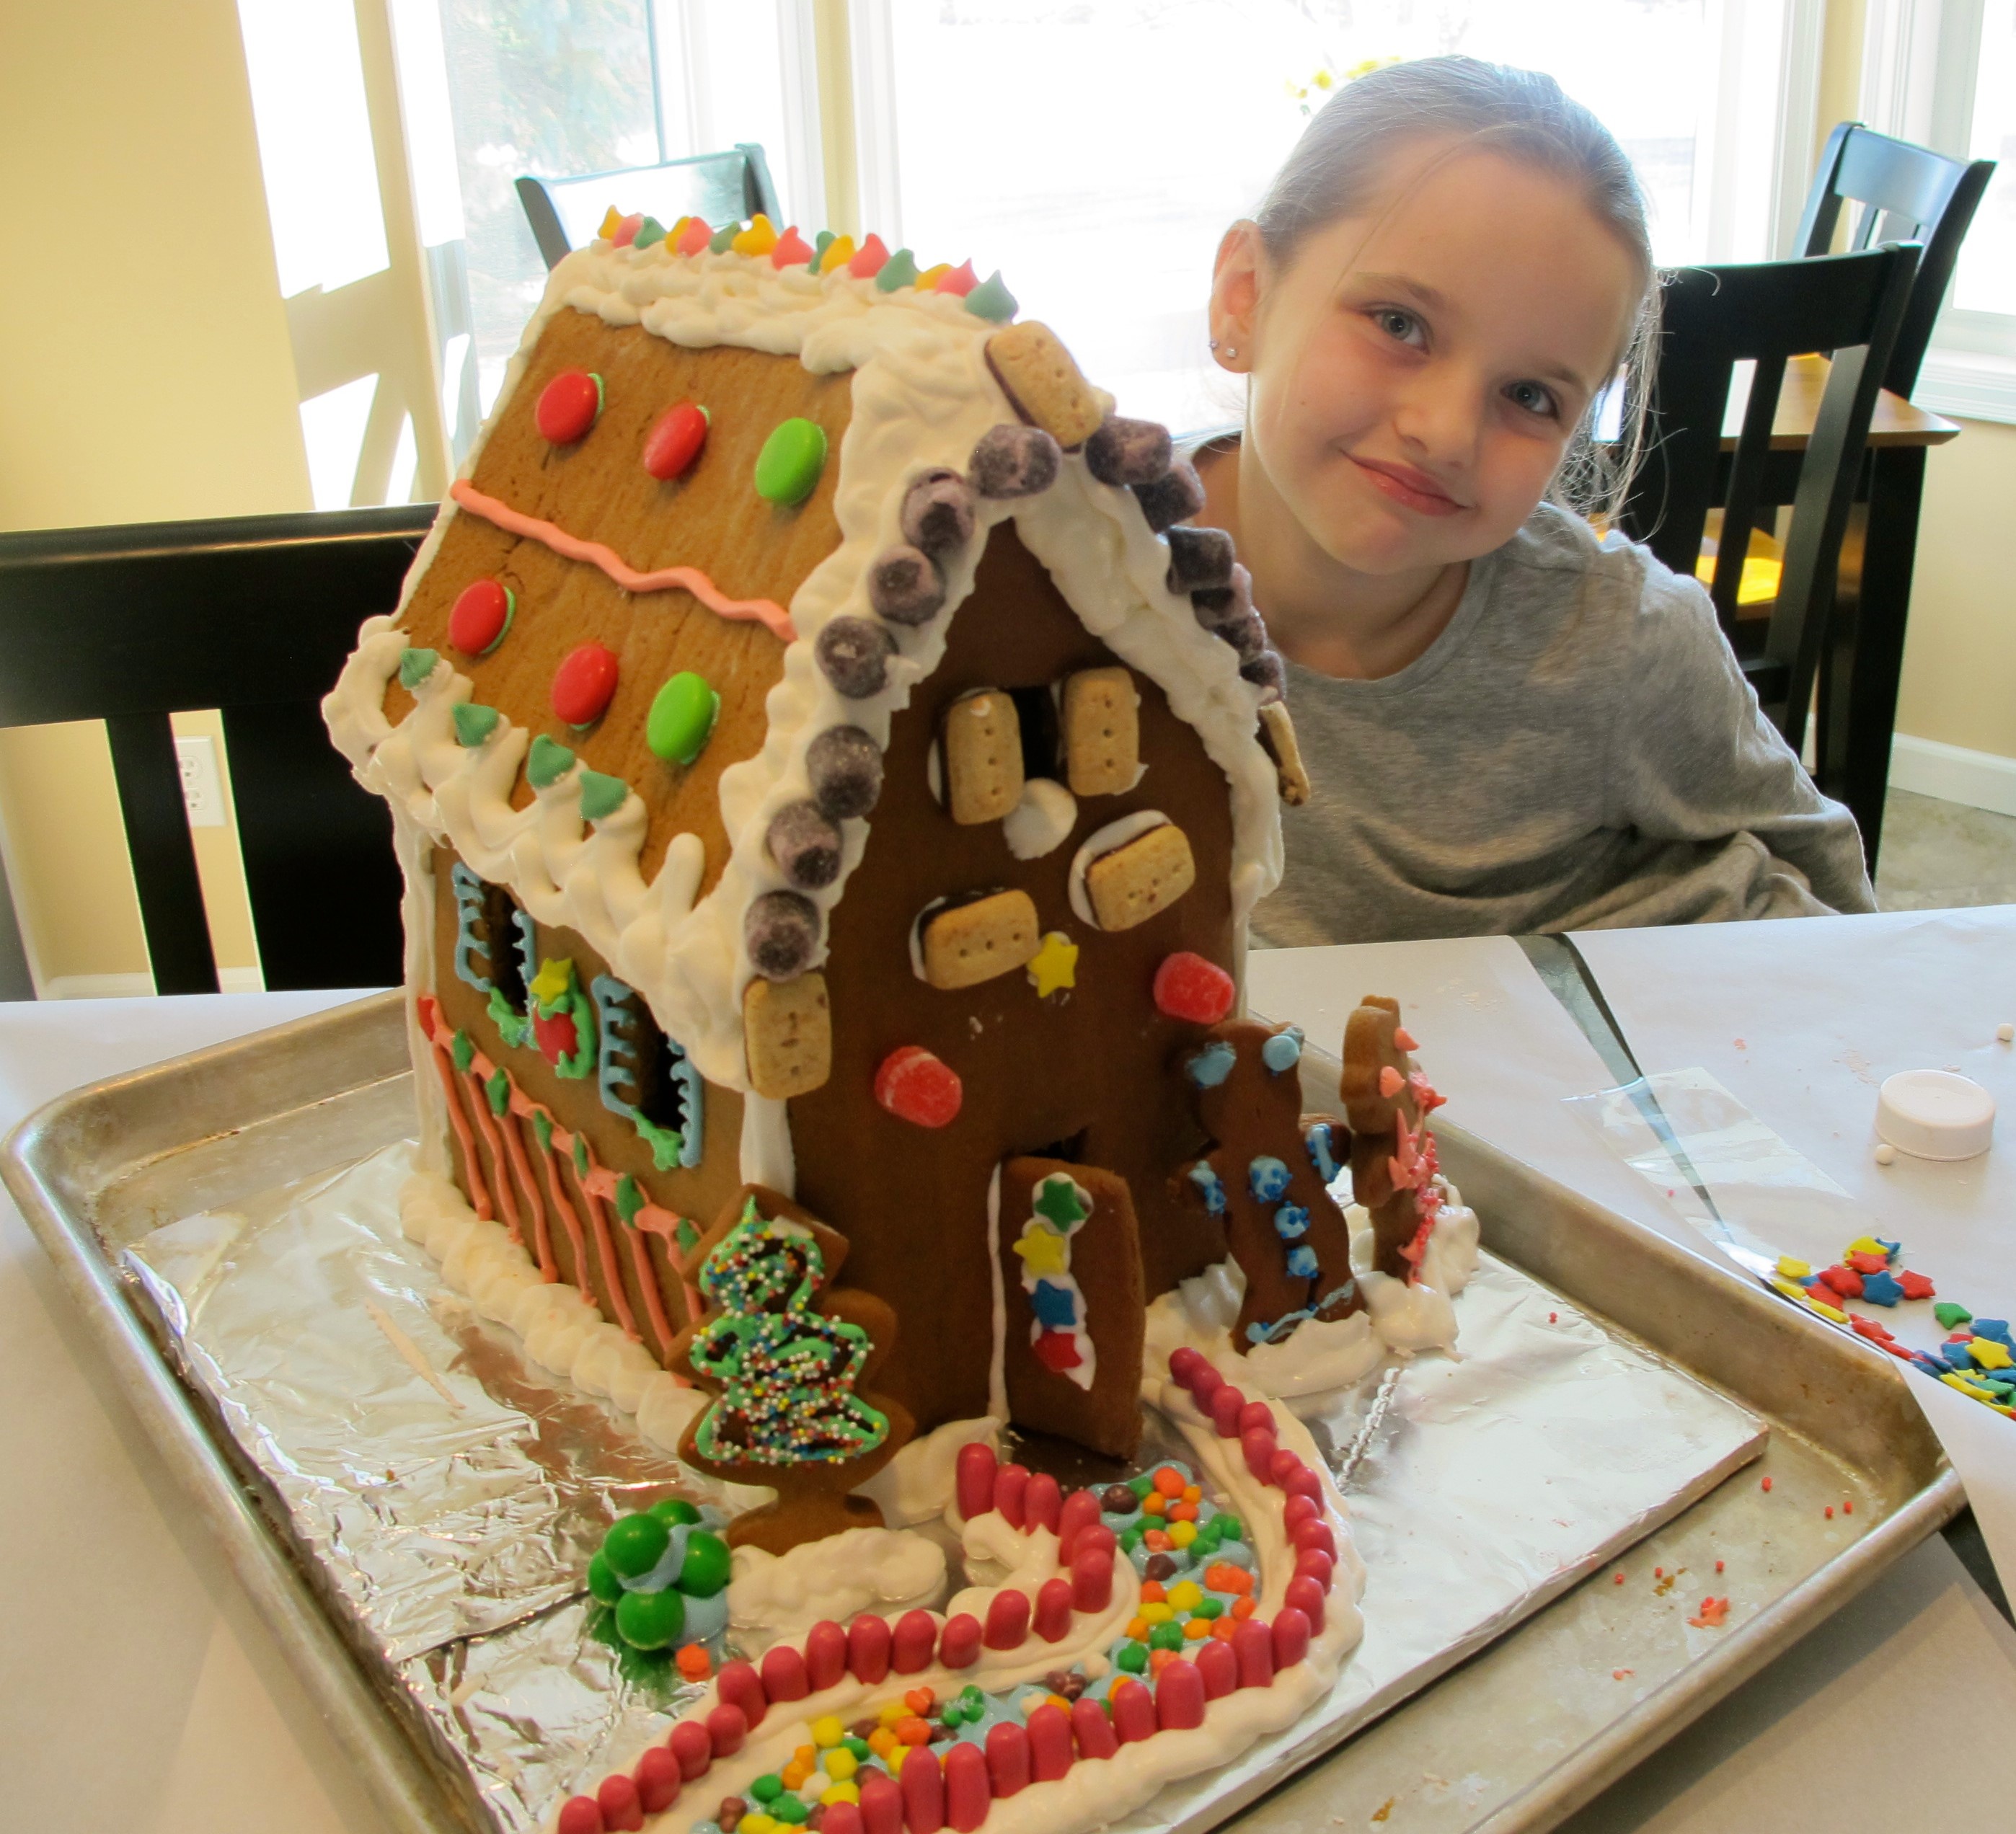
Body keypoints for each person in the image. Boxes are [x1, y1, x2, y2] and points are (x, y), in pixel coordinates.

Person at [1194, 56, 1875, 945]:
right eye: (1399, 324)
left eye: (1530, 396)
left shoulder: (1621, 641)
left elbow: (1847, 927)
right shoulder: (1065, 570)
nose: (1445, 432)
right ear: (1246, 295)